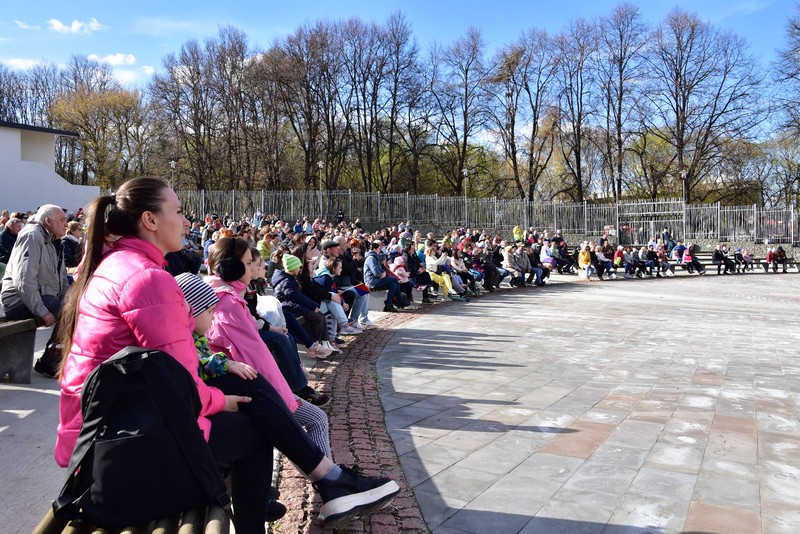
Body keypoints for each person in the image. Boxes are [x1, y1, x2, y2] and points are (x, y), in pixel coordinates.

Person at [55, 177, 399, 532]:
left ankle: (330, 479)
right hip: (123, 451)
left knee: (243, 383)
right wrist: (219, 401)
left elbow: (170, 374)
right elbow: (181, 381)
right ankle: (327, 481)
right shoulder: (145, 278)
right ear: (150, 220)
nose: (186, 221)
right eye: (177, 211)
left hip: (114, 431)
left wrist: (223, 393)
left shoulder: (119, 266)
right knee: (257, 429)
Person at [205, 239, 330, 406]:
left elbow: (251, 317)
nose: (255, 269)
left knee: (287, 336)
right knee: (281, 338)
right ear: (231, 267)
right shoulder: (229, 303)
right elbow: (253, 353)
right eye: (250, 263)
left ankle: (297, 377)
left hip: (261, 384)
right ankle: (299, 386)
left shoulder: (240, 291)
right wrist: (281, 397)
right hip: (260, 392)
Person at [1, 204, 68, 378]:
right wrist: (42, 311)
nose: (66, 224)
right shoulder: (32, 236)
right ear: (48, 221)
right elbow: (24, 281)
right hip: (17, 300)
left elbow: (62, 279)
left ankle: (56, 360)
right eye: (62, 220)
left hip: (40, 296)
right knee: (69, 312)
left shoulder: (54, 241)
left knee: (75, 307)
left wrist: (72, 298)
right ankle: (49, 363)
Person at [364, 240, 401, 312]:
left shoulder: (375, 257)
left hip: (377, 279)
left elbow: (380, 269)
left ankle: (389, 304)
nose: (379, 251)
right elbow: (376, 272)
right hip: (372, 281)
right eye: (379, 249)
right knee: (394, 279)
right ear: (374, 249)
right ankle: (399, 299)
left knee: (393, 284)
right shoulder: (371, 258)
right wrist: (382, 274)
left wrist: (383, 273)